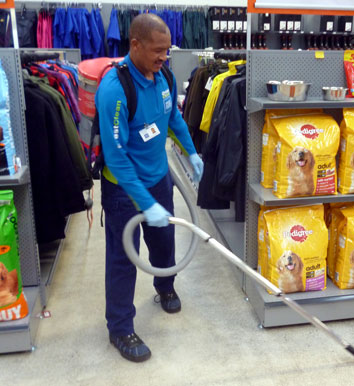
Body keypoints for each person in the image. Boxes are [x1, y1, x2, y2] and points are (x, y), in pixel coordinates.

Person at [95, 14, 204, 363]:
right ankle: (120, 327)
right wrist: (144, 202)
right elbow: (116, 158)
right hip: (123, 190)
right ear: (135, 45)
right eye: (157, 51)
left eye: (167, 51)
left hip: (159, 180)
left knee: (163, 242)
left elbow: (173, 120)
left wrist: (191, 152)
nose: (163, 58)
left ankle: (164, 286)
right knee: (124, 259)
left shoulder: (164, 78)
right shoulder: (115, 88)